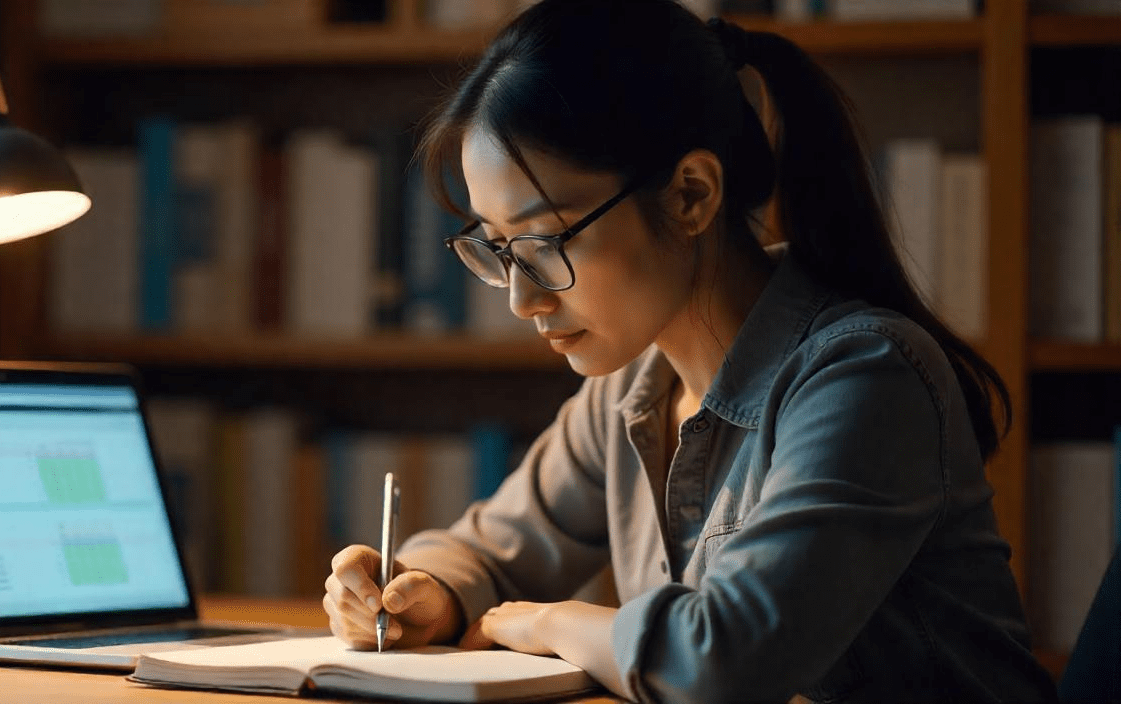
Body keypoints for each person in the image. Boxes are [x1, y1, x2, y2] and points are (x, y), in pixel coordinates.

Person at [322, 1, 1058, 701]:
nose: (522, 299)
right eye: (498, 248)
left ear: (691, 195)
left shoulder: (864, 378)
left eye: (545, 241)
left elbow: (722, 662)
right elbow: (489, 549)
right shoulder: (631, 389)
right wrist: (424, 590)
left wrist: (541, 621)